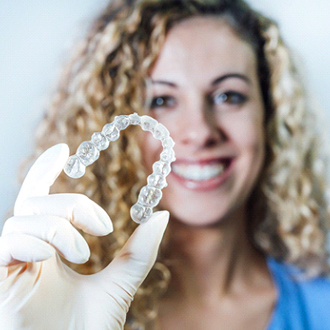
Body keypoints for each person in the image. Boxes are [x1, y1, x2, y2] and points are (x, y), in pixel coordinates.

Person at [0, 0, 330, 329]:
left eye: (228, 96)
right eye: (161, 100)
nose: (200, 132)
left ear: (269, 115)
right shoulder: (57, 299)